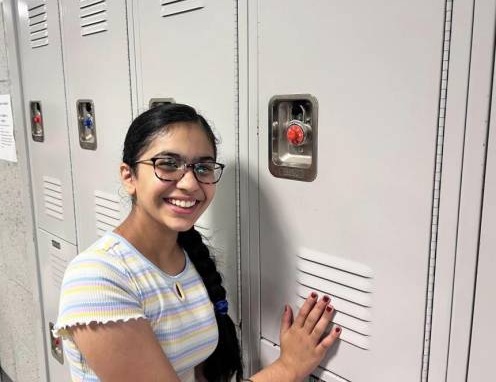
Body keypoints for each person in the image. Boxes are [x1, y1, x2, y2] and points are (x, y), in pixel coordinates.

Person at [53, 104, 341, 382]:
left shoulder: (184, 257)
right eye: (167, 164)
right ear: (129, 176)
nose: (190, 184)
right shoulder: (97, 279)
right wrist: (288, 368)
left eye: (203, 167)